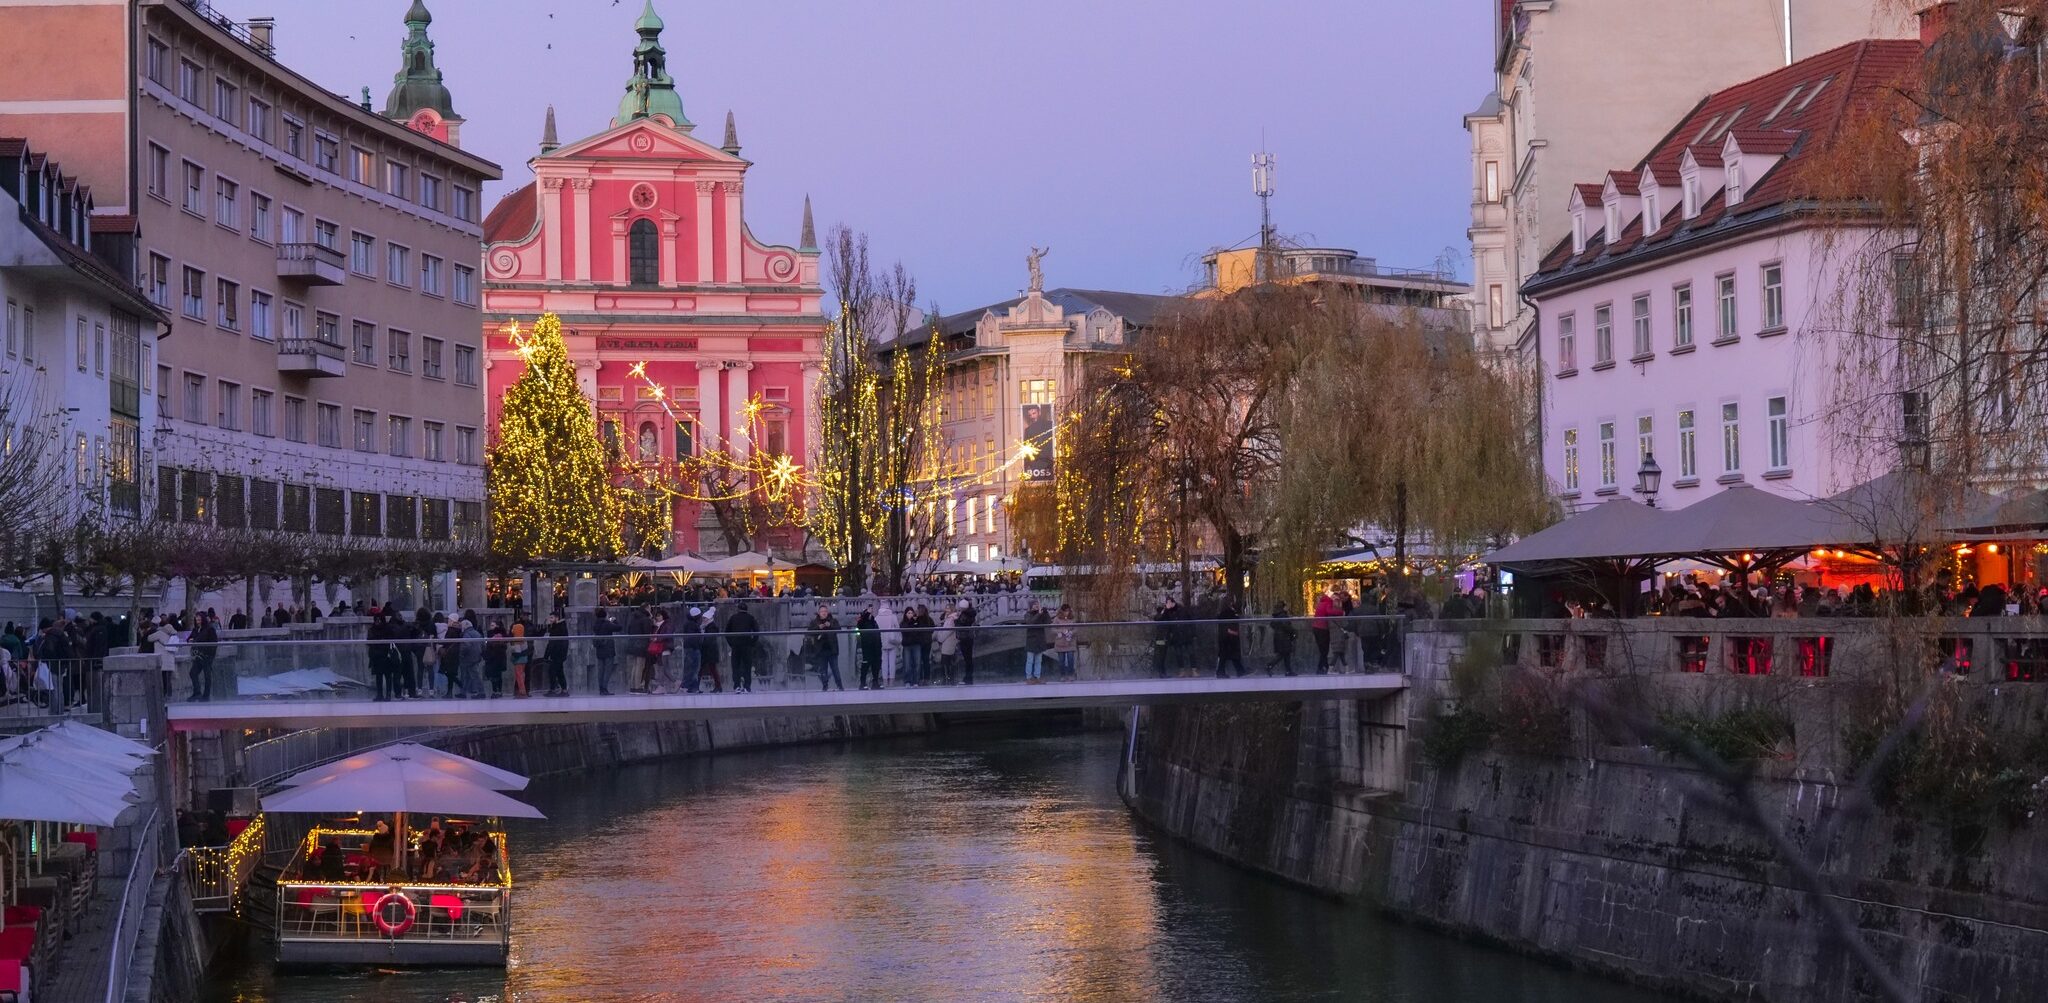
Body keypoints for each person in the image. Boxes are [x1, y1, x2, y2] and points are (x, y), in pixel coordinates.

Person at [804, 604, 844, 690]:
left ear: (828, 612)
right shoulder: (815, 622)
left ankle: (840, 686)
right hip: (820, 650)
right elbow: (809, 632)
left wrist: (830, 626)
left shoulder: (833, 620)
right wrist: (818, 627)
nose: (824, 613)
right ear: (819, 613)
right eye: (822, 611)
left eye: (825, 611)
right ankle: (825, 686)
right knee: (823, 669)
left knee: (835, 669)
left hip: (832, 649)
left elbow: (839, 629)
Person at [725, 601, 759, 693]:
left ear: (738, 609)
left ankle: (737, 686)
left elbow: (726, 632)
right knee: (747, 666)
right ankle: (747, 686)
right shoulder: (750, 618)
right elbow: (757, 631)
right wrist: (752, 643)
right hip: (747, 645)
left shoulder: (733, 618)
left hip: (736, 645)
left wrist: (731, 643)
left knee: (736, 666)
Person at [187, 611, 219, 702]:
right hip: (198, 655)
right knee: (193, 673)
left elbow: (214, 643)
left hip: (207, 656)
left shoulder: (209, 629)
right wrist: (190, 640)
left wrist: (210, 654)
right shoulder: (195, 629)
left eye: (199, 620)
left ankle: (206, 695)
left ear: (203, 620)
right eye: (196, 620)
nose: (198, 621)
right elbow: (189, 638)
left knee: (207, 675)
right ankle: (197, 692)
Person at [591, 606, 620, 695]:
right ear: (605, 615)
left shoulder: (595, 624)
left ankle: (601, 688)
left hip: (599, 649)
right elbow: (619, 628)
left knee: (600, 670)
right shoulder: (607, 624)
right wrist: (614, 621)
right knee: (608, 669)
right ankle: (604, 688)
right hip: (608, 649)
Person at [1021, 600, 1051, 683]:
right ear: (1031, 606)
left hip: (1040, 640)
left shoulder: (1041, 614)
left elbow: (1048, 622)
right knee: (1030, 660)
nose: (1037, 606)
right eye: (1035, 604)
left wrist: (1046, 613)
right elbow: (1030, 622)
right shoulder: (1027, 614)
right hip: (1031, 640)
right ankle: (1028, 677)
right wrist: (1039, 614)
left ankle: (1037, 676)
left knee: (1038, 660)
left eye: (1038, 604)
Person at [855, 605, 883, 690]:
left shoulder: (874, 622)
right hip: (867, 646)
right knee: (866, 664)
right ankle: (862, 683)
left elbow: (877, 633)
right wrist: (867, 613)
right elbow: (860, 626)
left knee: (876, 664)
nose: (870, 614)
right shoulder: (862, 622)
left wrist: (879, 644)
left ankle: (875, 682)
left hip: (876, 646)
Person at [1215, 598, 1245, 677]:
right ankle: (1239, 671)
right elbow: (1231, 623)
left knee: (1224, 655)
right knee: (1230, 654)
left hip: (1224, 637)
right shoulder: (1228, 613)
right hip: (1229, 637)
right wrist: (1232, 631)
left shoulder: (1221, 613)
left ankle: (1222, 672)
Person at [543, 612, 570, 696]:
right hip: (558, 653)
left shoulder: (558, 628)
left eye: (552, 618)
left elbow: (552, 643)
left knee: (552, 671)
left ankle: (553, 689)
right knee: (559, 672)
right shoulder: (558, 627)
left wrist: (546, 655)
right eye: (550, 618)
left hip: (557, 653)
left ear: (557, 618)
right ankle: (564, 690)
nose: (550, 620)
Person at [1310, 591, 1338, 674]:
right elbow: (1329, 612)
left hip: (1316, 628)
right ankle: (1321, 668)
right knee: (1324, 650)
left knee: (1322, 650)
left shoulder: (1321, 603)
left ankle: (1325, 667)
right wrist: (1340, 613)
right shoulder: (1328, 603)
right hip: (1322, 628)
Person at [698, 608, 723, 693]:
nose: (703, 620)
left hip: (710, 650)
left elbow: (709, 639)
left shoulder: (711, 627)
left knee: (709, 668)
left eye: (704, 618)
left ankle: (718, 686)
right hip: (708, 650)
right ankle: (718, 686)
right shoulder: (707, 626)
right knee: (709, 668)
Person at [877, 603, 902, 688]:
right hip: (892, 641)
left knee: (884, 663)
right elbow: (897, 628)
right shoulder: (893, 616)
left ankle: (885, 681)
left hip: (882, 642)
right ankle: (891, 681)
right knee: (892, 663)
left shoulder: (877, 617)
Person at [1152, 598, 1178, 678]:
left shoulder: (1168, 616)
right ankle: (1161, 673)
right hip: (1161, 638)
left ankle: (1163, 672)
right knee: (1161, 655)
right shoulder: (1160, 616)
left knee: (1163, 656)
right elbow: (1159, 618)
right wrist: (1165, 609)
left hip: (1164, 638)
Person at [1052, 604, 1078, 680]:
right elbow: (1052, 629)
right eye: (1065, 611)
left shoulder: (1072, 618)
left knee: (1070, 659)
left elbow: (1076, 628)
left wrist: (1071, 632)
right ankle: (1062, 675)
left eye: (1068, 611)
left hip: (1070, 642)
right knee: (1061, 661)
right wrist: (1060, 631)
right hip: (1060, 642)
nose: (1067, 613)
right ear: (1062, 611)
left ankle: (1071, 674)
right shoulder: (1057, 619)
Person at [955, 599, 978, 685]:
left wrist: (955, 620)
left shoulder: (965, 614)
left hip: (965, 637)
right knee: (968, 659)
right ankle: (968, 678)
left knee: (967, 659)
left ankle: (968, 678)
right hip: (969, 637)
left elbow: (961, 624)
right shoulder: (971, 613)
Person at [508, 617, 532, 698]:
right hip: (524, 660)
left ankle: (522, 692)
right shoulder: (524, 639)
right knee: (521, 675)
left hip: (518, 661)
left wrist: (512, 658)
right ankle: (522, 691)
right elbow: (525, 650)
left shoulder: (516, 640)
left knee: (519, 676)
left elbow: (517, 652)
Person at [1270, 602, 1296, 675]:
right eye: (1286, 606)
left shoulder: (1276, 615)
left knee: (1286, 654)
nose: (1287, 608)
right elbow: (1286, 626)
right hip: (1284, 637)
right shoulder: (1283, 615)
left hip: (1279, 637)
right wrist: (1293, 631)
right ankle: (1269, 666)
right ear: (1283, 607)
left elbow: (1272, 624)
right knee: (1283, 654)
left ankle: (1288, 671)